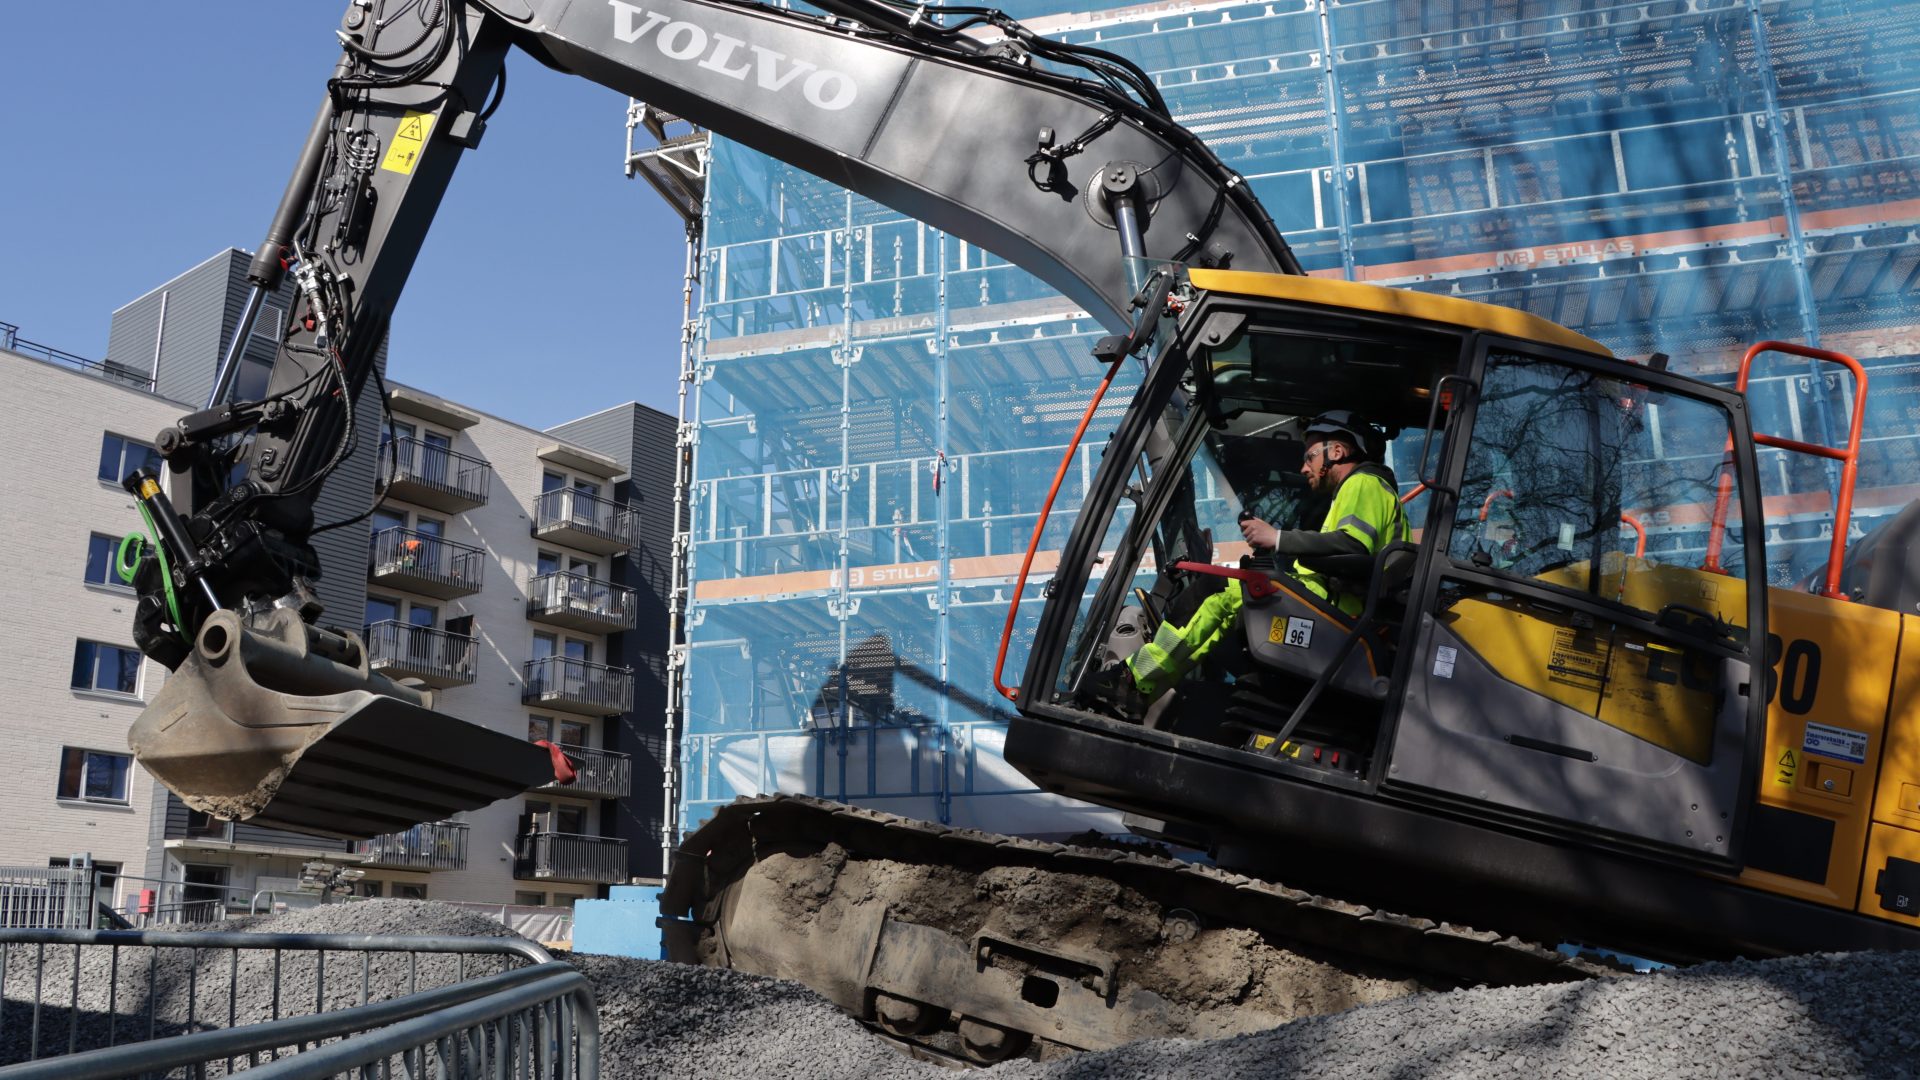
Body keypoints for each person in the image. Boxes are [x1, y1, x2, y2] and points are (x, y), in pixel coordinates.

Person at [1118, 411, 1409, 705]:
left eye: (1309, 457)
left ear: (1336, 451)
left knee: (1213, 590)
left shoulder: (1363, 483)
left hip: (1337, 609)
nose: (1304, 468)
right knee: (1221, 611)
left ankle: (1131, 678)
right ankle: (1148, 686)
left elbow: (1352, 545)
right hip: (1338, 606)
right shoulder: (1365, 490)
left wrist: (1278, 538)